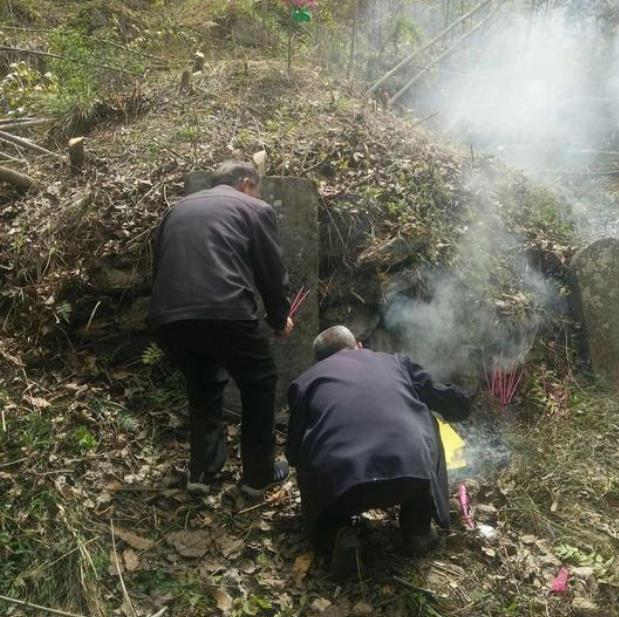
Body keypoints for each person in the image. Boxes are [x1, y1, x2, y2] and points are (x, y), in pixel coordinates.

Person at [149, 161, 292, 495]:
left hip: (168, 318)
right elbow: (271, 272)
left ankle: (202, 474)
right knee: (259, 382)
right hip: (226, 309)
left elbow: (161, 267)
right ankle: (258, 476)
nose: (259, 195)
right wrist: (277, 318)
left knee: (203, 383)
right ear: (246, 184)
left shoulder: (176, 210)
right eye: (257, 188)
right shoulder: (254, 208)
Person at [286, 325, 473, 579]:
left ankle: (336, 533)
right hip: (410, 474)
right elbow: (439, 395)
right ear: (359, 345)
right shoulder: (397, 363)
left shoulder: (305, 382)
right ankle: (417, 528)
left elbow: (294, 453)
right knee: (425, 417)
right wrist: (464, 402)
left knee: (310, 449)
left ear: (319, 361)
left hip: (343, 488)